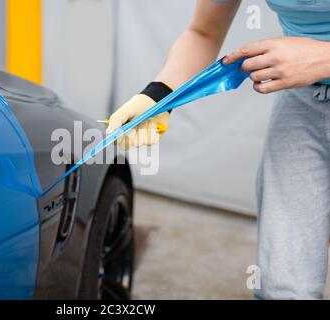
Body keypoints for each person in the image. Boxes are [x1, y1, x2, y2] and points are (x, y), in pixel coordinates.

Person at [107, 0, 330, 299]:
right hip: (303, 101)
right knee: (283, 285)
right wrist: (158, 96)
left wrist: (324, 58)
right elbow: (203, 33)